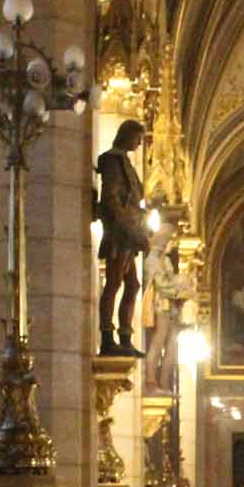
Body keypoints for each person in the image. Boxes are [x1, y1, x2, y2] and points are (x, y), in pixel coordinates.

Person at [95, 120, 152, 358]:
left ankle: (126, 337)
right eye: (138, 138)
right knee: (114, 283)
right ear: (127, 135)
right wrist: (128, 227)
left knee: (133, 285)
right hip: (120, 233)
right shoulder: (111, 160)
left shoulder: (124, 160)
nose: (140, 143)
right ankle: (108, 337)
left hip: (130, 232)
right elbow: (111, 198)